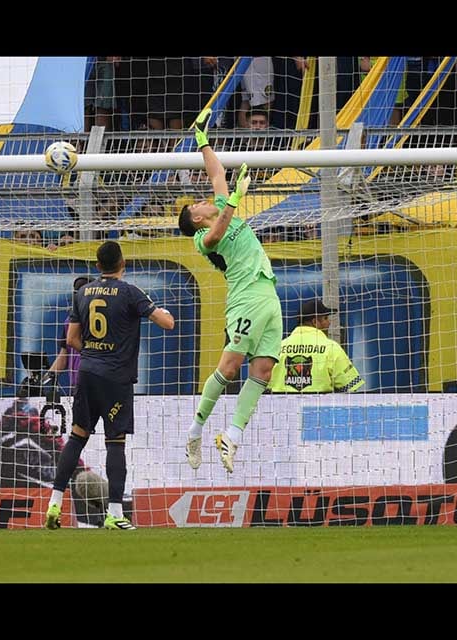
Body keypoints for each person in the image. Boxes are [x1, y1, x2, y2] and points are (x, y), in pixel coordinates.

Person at [177, 107, 282, 473]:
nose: (205, 198)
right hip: (245, 297)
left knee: (264, 370)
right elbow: (219, 232)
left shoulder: (222, 205)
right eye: (198, 203)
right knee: (231, 366)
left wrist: (202, 139)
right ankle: (196, 428)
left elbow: (217, 172)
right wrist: (235, 200)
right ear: (196, 218)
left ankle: (232, 437)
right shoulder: (203, 241)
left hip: (268, 292)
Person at [44, 241, 175, 531]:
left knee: (77, 437)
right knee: (115, 441)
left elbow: (72, 339)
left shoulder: (83, 292)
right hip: (116, 378)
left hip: (87, 373)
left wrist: (94, 350)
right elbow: (167, 323)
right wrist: (163, 312)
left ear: (98, 265)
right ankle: (115, 513)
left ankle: (53, 503)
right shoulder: (130, 292)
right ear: (122, 262)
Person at [268, 299, 365, 393]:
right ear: (315, 322)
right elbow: (350, 386)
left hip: (281, 407)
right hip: (320, 407)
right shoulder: (331, 348)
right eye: (325, 318)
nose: (329, 323)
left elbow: (264, 383)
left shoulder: (278, 347)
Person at [42, 276, 90, 395]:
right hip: (76, 384)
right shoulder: (69, 321)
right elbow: (64, 355)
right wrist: (45, 378)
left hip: (95, 380)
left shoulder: (98, 322)